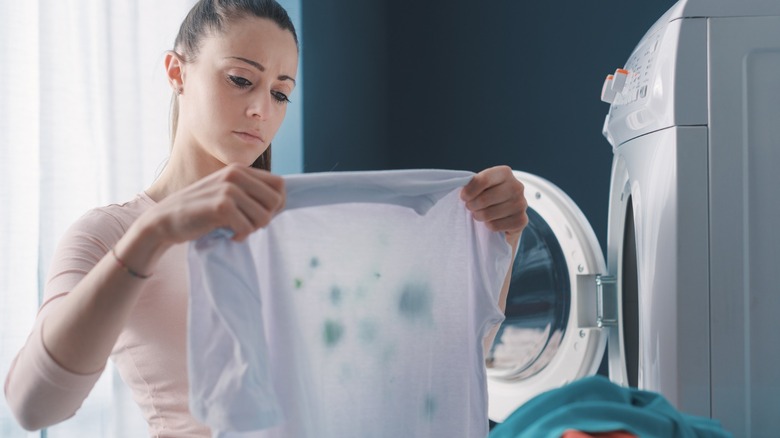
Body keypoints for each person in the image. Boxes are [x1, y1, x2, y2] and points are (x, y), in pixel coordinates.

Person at [3, 0, 528, 436]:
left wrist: (498, 238)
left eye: (280, 93)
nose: (262, 109)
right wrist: (156, 232)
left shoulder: (305, 233)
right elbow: (34, 406)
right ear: (176, 71)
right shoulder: (112, 233)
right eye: (239, 79)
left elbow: (434, 360)